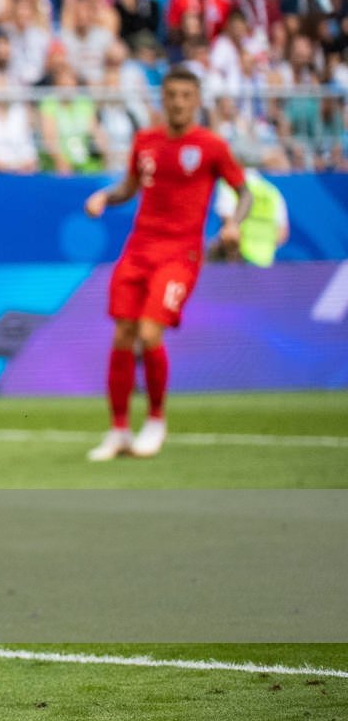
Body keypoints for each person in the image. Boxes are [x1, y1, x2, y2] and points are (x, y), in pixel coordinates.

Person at [83, 69, 247, 462]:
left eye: (186, 95)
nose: (177, 102)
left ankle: (156, 420)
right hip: (138, 249)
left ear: (197, 100)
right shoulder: (146, 141)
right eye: (171, 94)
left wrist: (234, 224)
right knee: (123, 333)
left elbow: (243, 193)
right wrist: (105, 197)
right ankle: (118, 430)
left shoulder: (212, 146)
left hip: (181, 254)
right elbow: (129, 188)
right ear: (163, 98)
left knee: (149, 331)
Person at [210, 158, 289, 267]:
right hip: (265, 260)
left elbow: (229, 227)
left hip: (239, 258)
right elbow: (282, 234)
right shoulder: (272, 192)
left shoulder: (229, 185)